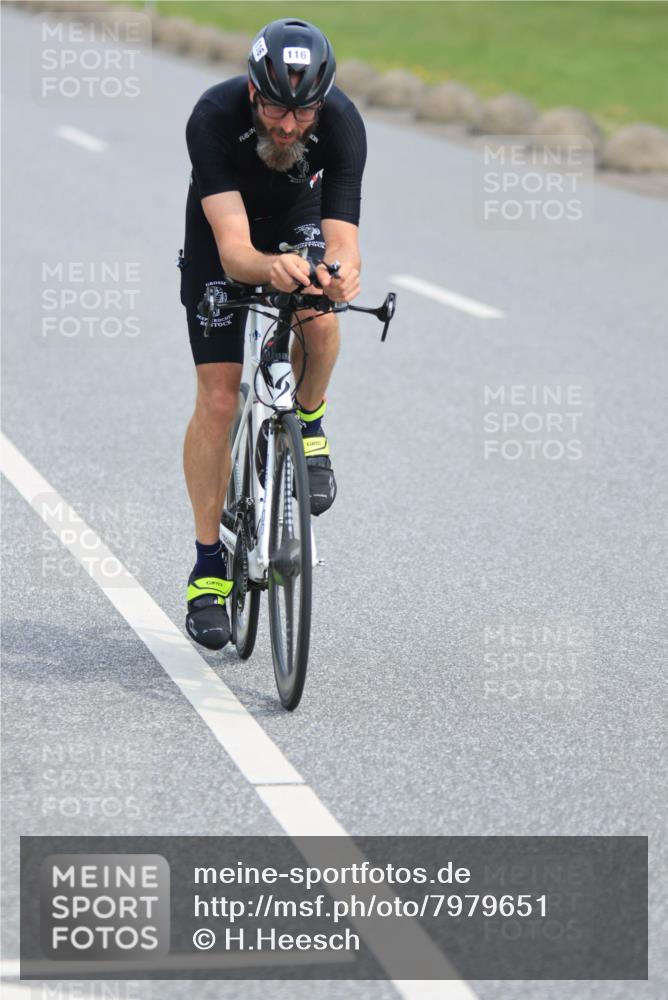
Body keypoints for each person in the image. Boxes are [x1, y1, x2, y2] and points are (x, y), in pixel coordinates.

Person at [180, 17, 367, 650]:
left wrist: (338, 277)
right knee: (220, 397)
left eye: (303, 113)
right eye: (275, 110)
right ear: (253, 93)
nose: (288, 127)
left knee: (321, 319)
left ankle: (307, 424)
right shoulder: (212, 116)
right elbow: (234, 250)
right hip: (223, 230)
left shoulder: (341, 126)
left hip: (296, 215)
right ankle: (208, 568)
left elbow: (343, 242)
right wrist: (268, 267)